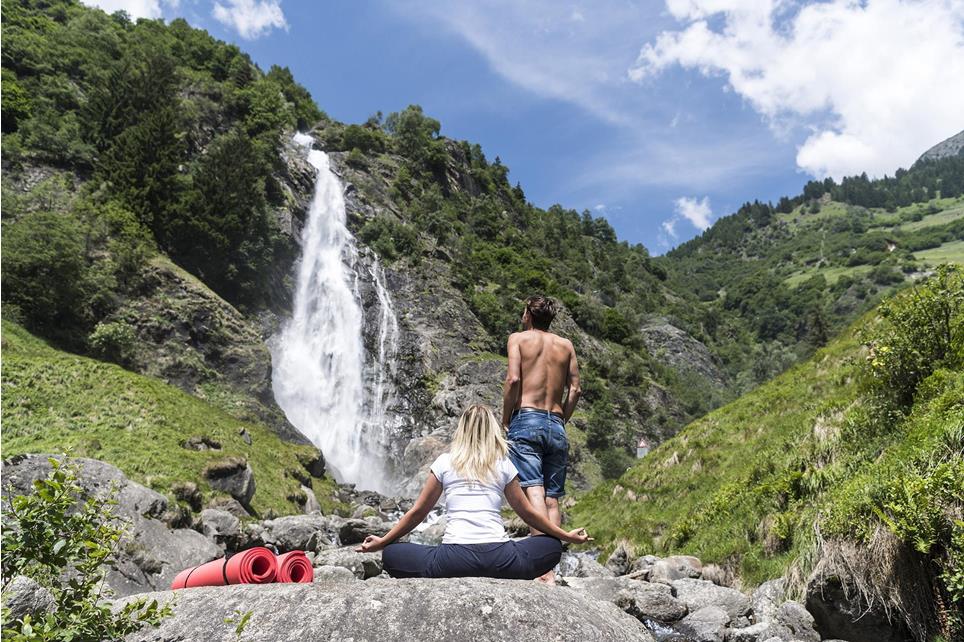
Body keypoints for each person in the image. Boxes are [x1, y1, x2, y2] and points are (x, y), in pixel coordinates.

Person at [355, 404, 590, 579]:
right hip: (501, 559)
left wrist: (383, 543)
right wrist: (564, 536)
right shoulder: (503, 462)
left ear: (462, 430)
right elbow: (528, 514)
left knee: (392, 554)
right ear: (492, 430)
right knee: (551, 546)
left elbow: (417, 513)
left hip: (450, 561)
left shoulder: (445, 462)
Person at [501, 295, 581, 584]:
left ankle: (540, 568)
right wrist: (563, 418)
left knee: (533, 489)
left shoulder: (518, 339)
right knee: (552, 497)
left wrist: (506, 418)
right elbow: (575, 390)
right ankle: (550, 567)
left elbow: (512, 380)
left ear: (527, 315)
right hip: (556, 423)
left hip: (527, 419)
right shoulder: (566, 345)